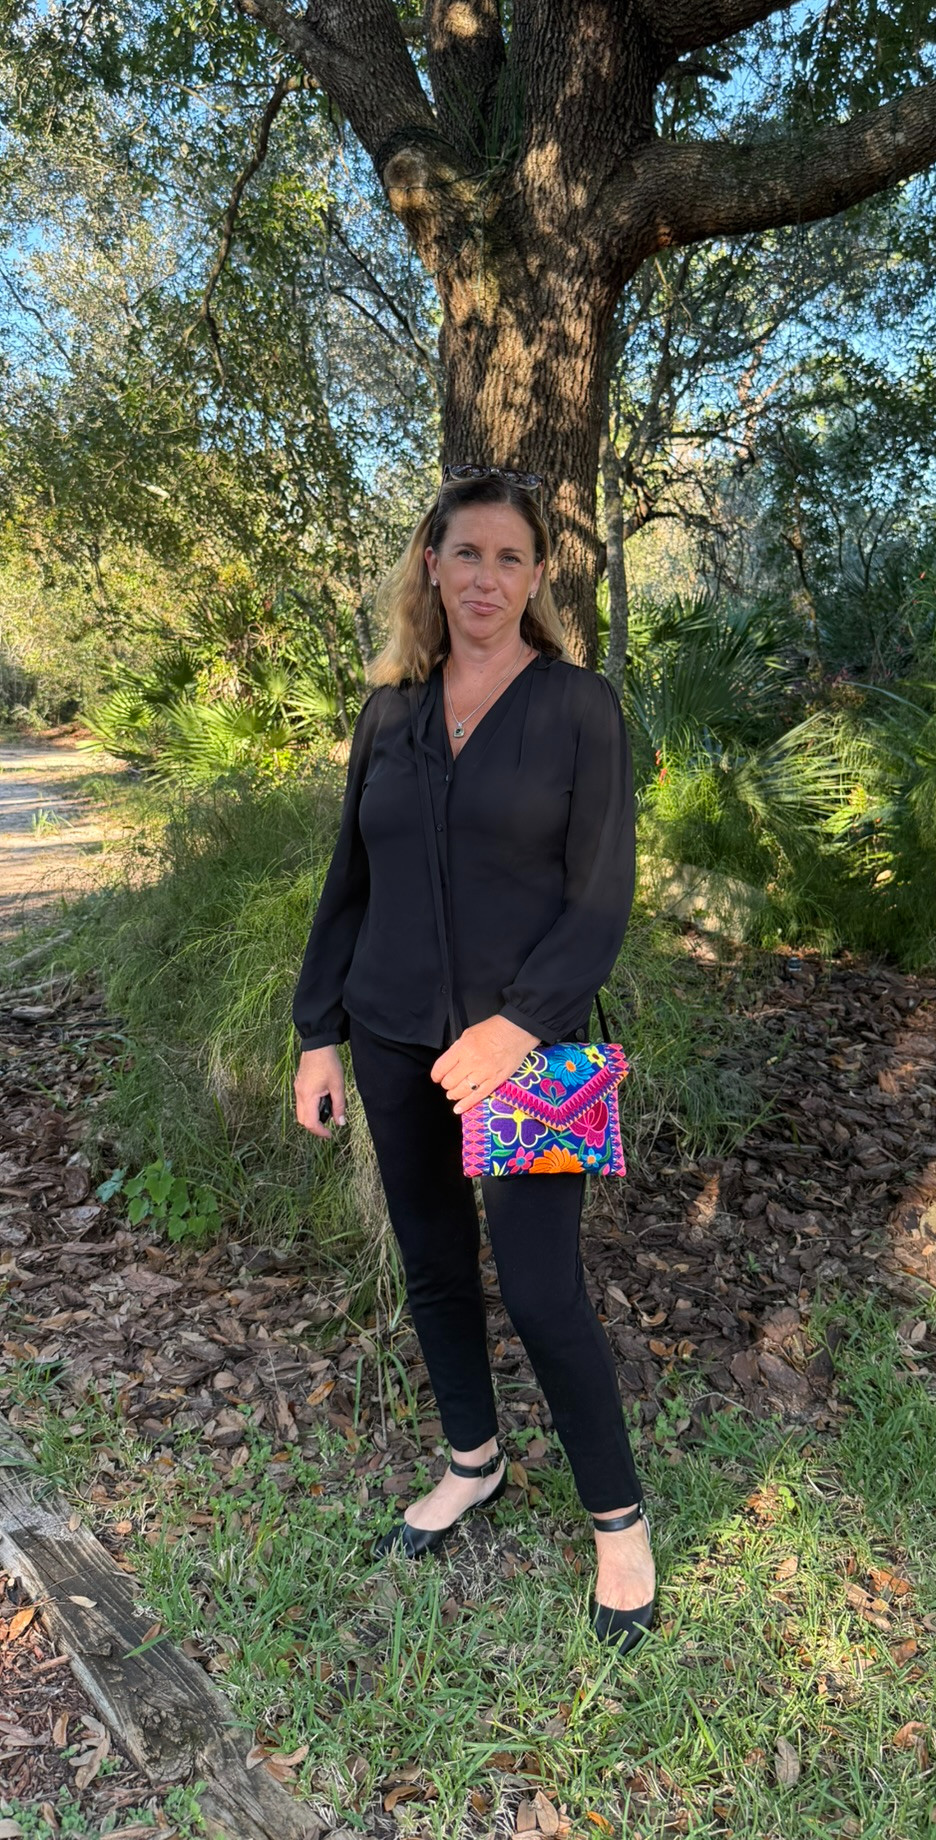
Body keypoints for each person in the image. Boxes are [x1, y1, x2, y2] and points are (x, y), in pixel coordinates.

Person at [292, 466, 655, 1651]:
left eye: (510, 556)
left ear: (537, 574)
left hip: (528, 1060)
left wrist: (520, 1022)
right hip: (390, 1034)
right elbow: (350, 881)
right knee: (436, 1263)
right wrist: (316, 1032)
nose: (486, 576)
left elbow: (602, 895)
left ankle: (619, 1524)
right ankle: (473, 1458)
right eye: (466, 554)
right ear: (431, 566)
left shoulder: (579, 708)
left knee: (544, 1285)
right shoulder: (388, 712)